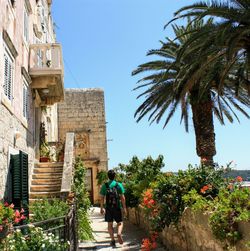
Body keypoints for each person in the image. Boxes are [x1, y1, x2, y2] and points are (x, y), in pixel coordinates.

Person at [99, 170, 127, 248]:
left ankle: (112, 240)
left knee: (110, 224)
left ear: (108, 176)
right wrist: (124, 208)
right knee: (120, 222)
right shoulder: (119, 185)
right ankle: (118, 233)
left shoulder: (105, 185)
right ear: (115, 176)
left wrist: (101, 208)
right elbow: (122, 198)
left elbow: (101, 198)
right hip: (117, 207)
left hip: (108, 208)